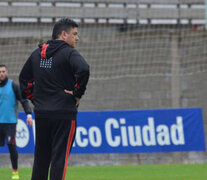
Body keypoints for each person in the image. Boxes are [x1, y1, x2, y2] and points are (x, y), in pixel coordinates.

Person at [19, 18, 90, 180]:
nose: (77, 38)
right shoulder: (69, 53)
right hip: (64, 114)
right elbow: (84, 69)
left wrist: (35, 99)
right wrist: (77, 93)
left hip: (42, 114)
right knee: (59, 159)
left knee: (41, 160)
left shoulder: (37, 54)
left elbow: (24, 79)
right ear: (64, 34)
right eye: (75, 34)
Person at [0, 64, 33, 180]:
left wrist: (29, 114)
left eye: (3, 71)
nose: (2, 73)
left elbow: (23, 100)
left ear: (7, 72)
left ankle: (15, 171)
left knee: (11, 145)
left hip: (10, 123)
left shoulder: (13, 86)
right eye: (0, 72)